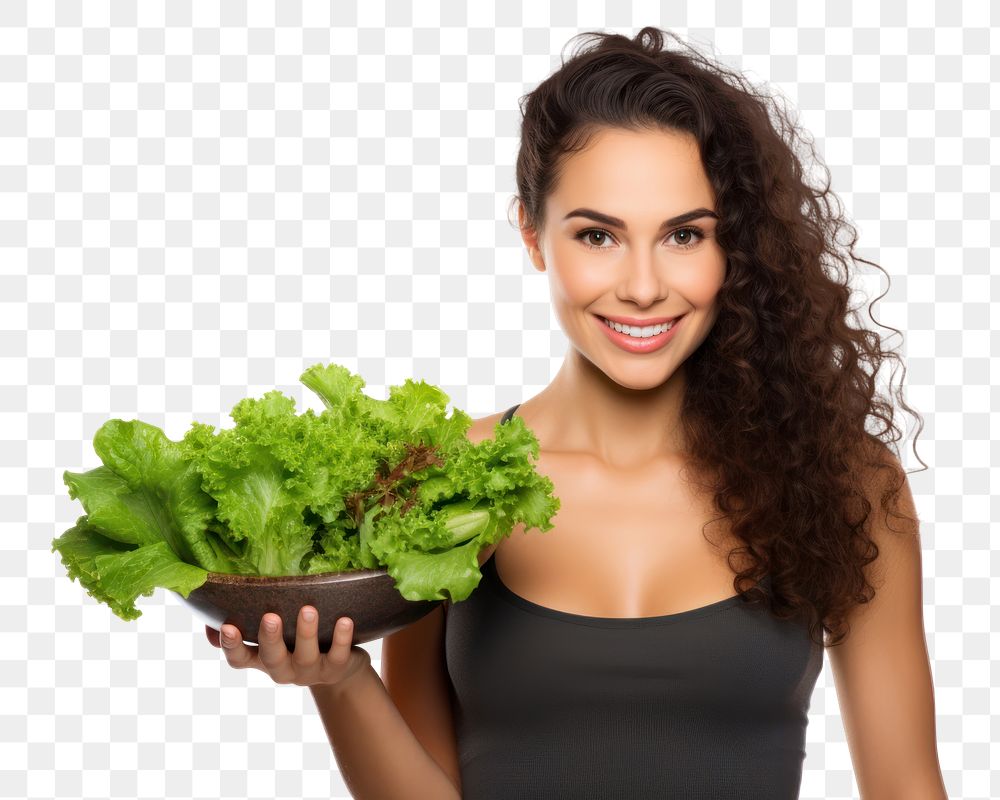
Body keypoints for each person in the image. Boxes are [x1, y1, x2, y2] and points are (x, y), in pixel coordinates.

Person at [207, 27, 948, 800]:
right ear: (532, 234)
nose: (641, 286)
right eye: (598, 235)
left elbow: (904, 785)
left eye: (685, 236)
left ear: (739, 251)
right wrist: (342, 680)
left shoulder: (842, 480)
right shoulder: (442, 479)